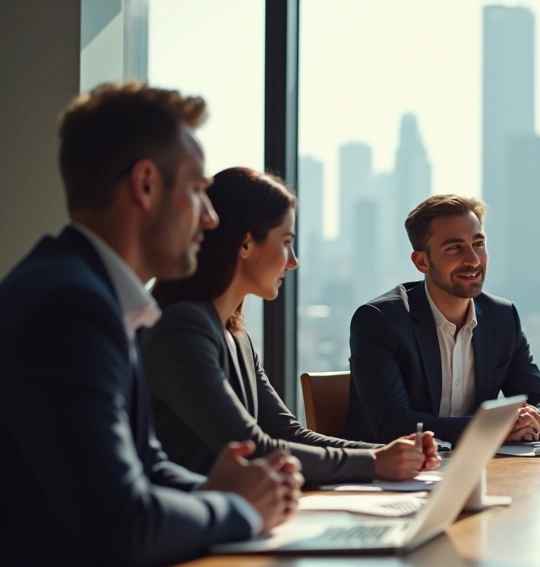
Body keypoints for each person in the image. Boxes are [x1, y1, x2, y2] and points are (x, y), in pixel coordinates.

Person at [0, 82, 302, 567]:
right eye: (196, 191)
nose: (210, 218)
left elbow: (146, 464)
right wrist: (238, 509)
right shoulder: (70, 307)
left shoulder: (99, 296)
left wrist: (236, 488)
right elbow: (122, 519)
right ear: (145, 185)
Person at [141, 167, 441, 486]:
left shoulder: (236, 335)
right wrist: (375, 462)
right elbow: (253, 448)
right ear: (245, 244)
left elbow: (288, 434)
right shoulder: (182, 329)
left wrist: (389, 454)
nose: (293, 260)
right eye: (286, 242)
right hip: (197, 522)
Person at [346, 194, 540, 445]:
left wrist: (535, 420)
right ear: (422, 261)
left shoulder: (501, 317)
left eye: (478, 244)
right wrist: (494, 427)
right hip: (395, 477)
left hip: (481, 471)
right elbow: (392, 423)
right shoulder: (380, 320)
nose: (472, 259)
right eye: (454, 248)